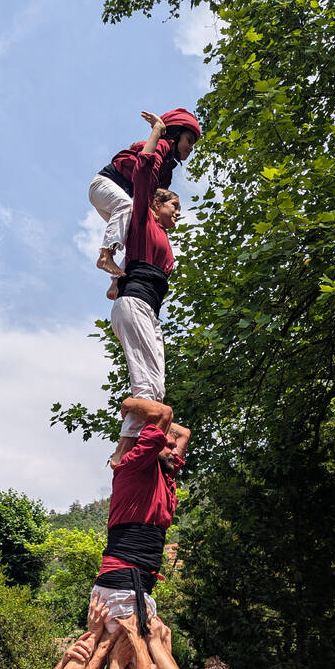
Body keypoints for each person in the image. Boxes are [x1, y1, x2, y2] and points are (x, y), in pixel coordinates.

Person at [108, 112, 187, 463]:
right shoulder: (142, 220)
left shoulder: (164, 243)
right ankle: (133, 450)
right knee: (148, 390)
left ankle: (124, 450)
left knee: (156, 388)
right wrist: (157, 133)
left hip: (147, 310)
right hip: (134, 305)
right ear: (155, 206)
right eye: (175, 206)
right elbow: (143, 173)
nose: (179, 213)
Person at [92, 397, 189, 635]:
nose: (174, 450)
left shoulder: (163, 476)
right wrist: (130, 405)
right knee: (126, 659)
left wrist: (144, 419)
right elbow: (164, 413)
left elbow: (184, 433)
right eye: (167, 445)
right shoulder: (134, 468)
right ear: (151, 448)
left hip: (139, 582)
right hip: (124, 580)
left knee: (134, 660)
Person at [89, 107, 200, 296]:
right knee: (127, 206)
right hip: (104, 186)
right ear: (176, 135)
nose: (190, 148)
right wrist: (157, 131)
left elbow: (153, 196)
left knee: (136, 235)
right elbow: (146, 167)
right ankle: (106, 253)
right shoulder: (162, 146)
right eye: (189, 140)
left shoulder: (168, 170)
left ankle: (117, 282)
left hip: (118, 200)